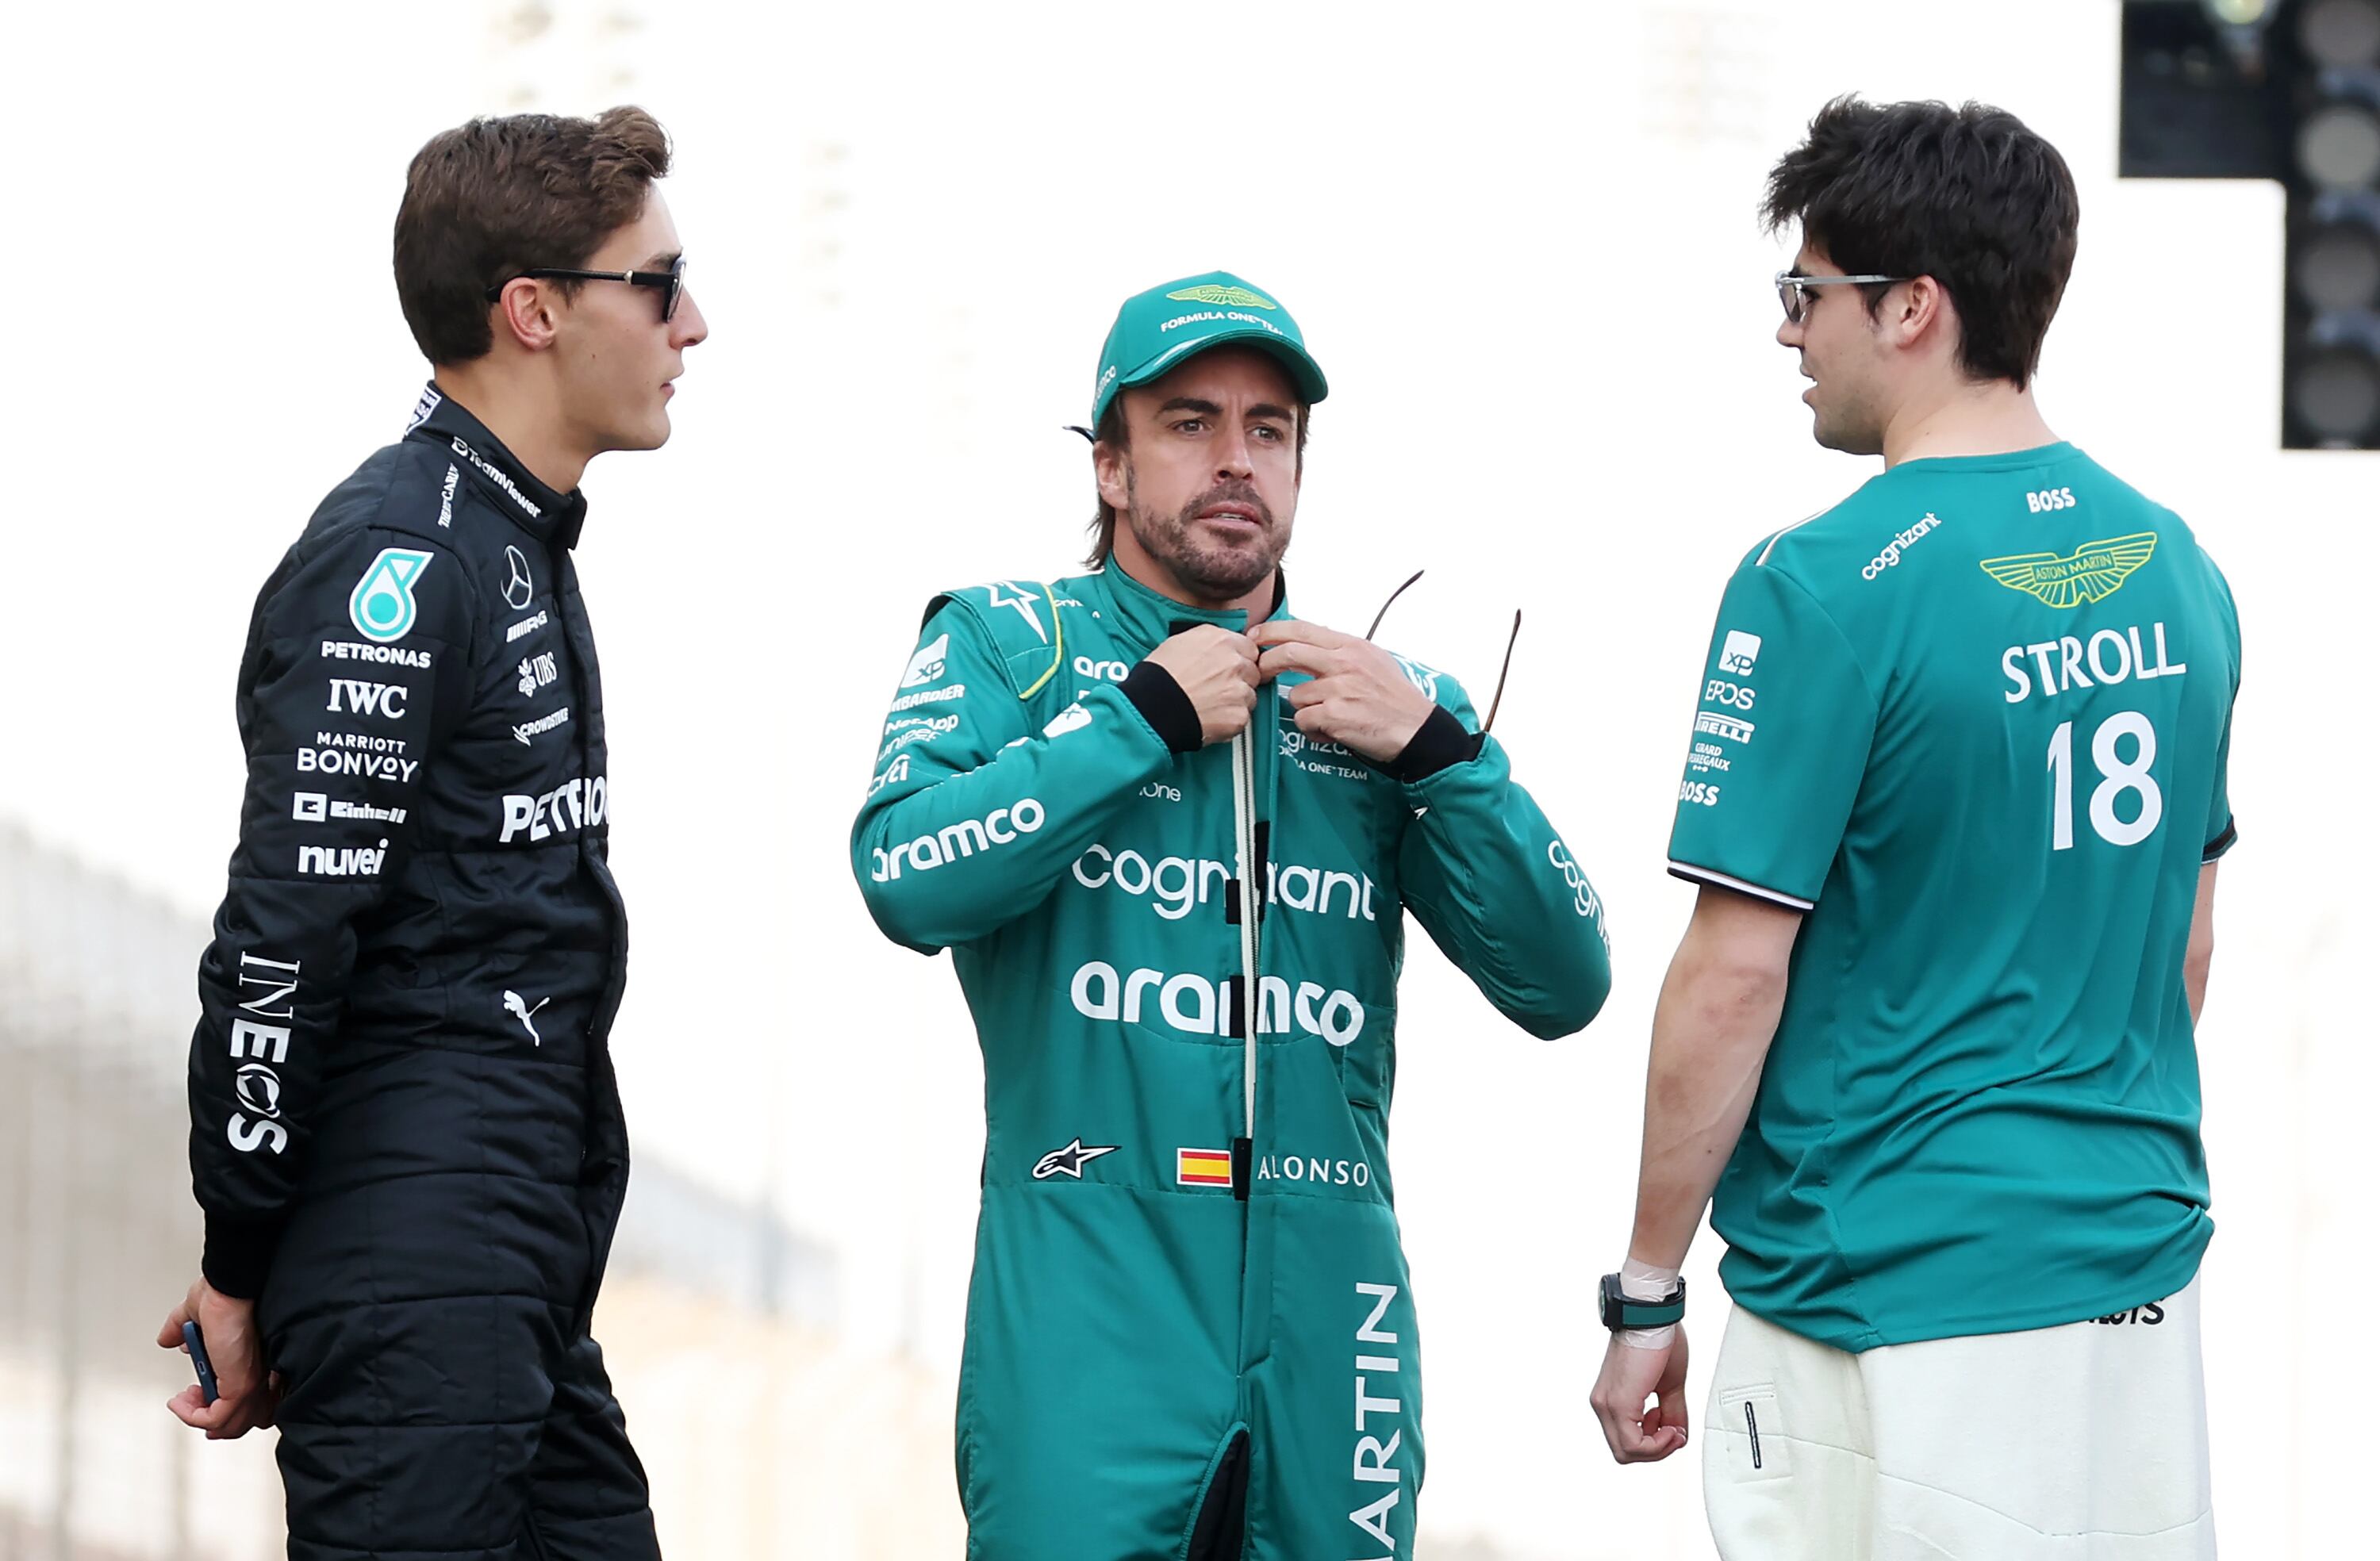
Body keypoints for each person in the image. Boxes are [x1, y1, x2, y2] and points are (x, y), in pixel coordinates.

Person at [850, 270, 1614, 1559]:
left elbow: (1565, 981)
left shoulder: (1374, 695)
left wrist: (1440, 751)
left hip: (1337, 1313)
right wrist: (1135, 723)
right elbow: (904, 874)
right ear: (1111, 465)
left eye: (1269, 431)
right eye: (1191, 422)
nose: (1235, 460)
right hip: (1092, 1285)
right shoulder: (1011, 644)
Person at [1587, 98, 2238, 1560]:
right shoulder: (2179, 568)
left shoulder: (1822, 583)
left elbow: (1732, 978)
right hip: (2137, 1268)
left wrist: (1647, 1286)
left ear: (1914, 310)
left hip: (1894, 1283)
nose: (1787, 334)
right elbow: (2181, 947)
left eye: (1806, 293)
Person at [162, 106, 707, 1560]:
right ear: (533, 313)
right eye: (657, 285)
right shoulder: (403, 555)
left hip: (506, 1250)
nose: (693, 324)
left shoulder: (507, 535)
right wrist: (241, 1252)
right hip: (423, 1252)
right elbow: (281, 943)